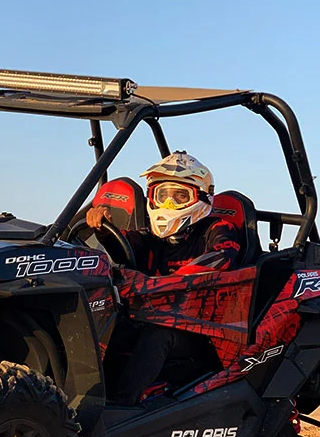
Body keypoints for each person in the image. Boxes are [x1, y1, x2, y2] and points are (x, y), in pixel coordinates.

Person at [86, 151, 243, 405]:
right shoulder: (154, 238)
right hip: (153, 316)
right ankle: (84, 398)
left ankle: (121, 406)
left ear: (200, 198)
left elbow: (222, 257)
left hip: (202, 330)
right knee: (106, 319)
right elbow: (126, 244)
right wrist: (102, 229)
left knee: (158, 334)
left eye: (180, 196)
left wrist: (172, 283)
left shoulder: (217, 229)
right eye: (162, 196)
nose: (168, 206)